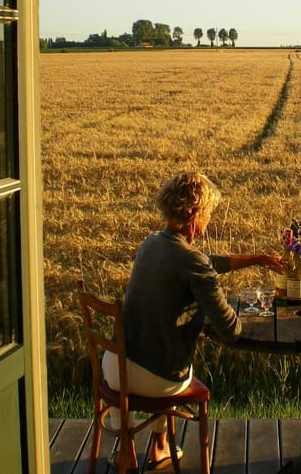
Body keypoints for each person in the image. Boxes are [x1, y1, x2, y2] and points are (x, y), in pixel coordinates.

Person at [102, 171, 284, 471]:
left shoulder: (152, 243)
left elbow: (201, 262)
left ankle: (132, 449)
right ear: (195, 215)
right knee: (176, 362)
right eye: (209, 213)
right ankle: (159, 445)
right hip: (155, 378)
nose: (210, 219)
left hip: (114, 366)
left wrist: (256, 258)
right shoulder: (191, 261)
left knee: (162, 346)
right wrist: (255, 317)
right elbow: (230, 328)